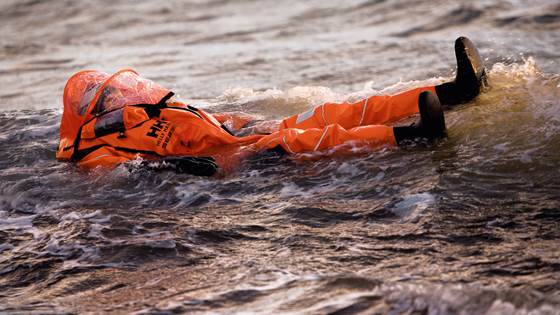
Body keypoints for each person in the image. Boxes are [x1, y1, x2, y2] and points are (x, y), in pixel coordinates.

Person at [56, 37, 487, 176]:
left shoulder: (141, 112)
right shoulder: (93, 149)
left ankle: (453, 91)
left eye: (111, 91)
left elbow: (202, 119)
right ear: (88, 111)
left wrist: (241, 123)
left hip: (239, 136)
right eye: (105, 96)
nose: (116, 96)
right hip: (228, 161)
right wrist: (196, 166)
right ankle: (417, 136)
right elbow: (119, 175)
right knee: (307, 139)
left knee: (333, 111)